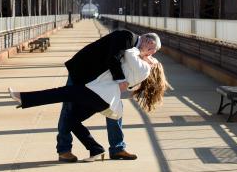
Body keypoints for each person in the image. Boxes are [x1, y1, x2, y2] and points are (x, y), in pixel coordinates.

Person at [9, 52, 171, 161]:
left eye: (152, 56)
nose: (150, 54)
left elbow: (130, 52)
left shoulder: (142, 67)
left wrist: (141, 46)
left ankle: (24, 98)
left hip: (94, 91)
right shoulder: (137, 70)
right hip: (98, 92)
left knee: (64, 97)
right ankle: (96, 148)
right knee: (71, 118)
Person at [57, 29, 161, 162]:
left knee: (115, 109)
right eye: (152, 49)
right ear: (148, 41)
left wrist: (128, 79)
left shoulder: (134, 46)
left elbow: (126, 68)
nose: (150, 53)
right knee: (68, 109)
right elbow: (113, 58)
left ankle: (117, 149)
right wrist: (121, 80)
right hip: (82, 71)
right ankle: (64, 150)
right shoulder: (127, 37)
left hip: (97, 80)